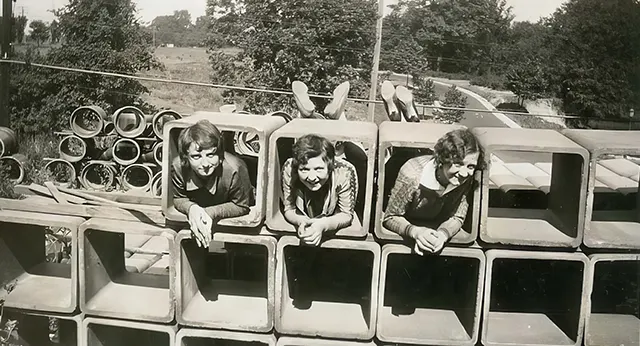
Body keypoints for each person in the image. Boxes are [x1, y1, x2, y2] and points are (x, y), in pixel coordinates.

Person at [382, 128, 484, 254]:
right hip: (407, 233)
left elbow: (457, 216)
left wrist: (443, 235)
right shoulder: (412, 174)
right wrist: (416, 232)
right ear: (443, 159)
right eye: (458, 164)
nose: (464, 173)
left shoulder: (466, 179)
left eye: (470, 166)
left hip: (434, 232)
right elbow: (390, 217)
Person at [171, 120, 254, 248]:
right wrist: (191, 209)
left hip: (233, 202)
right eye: (196, 156)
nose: (205, 164)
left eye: (211, 155)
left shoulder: (235, 169)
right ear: (186, 157)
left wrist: (209, 213)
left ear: (220, 155)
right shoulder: (178, 167)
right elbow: (178, 197)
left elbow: (242, 205)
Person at [281, 134, 358, 246]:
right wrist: (301, 221)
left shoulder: (344, 171)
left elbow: (346, 214)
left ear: (330, 165)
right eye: (304, 170)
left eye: (318, 169)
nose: (311, 177)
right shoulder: (289, 168)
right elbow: (289, 208)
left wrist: (323, 224)